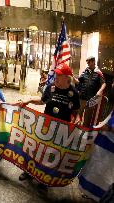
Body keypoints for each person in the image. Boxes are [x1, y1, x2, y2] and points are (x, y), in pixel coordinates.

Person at [17, 63, 80, 192]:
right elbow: (42, 101)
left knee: (51, 155)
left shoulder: (73, 93)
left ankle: (44, 180)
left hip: (61, 130)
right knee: (36, 149)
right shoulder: (50, 87)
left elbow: (76, 111)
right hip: (45, 126)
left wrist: (78, 118)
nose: (56, 77)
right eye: (56, 74)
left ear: (67, 78)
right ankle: (29, 172)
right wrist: (28, 101)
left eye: (59, 75)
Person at [73, 56, 106, 127]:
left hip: (91, 98)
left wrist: (100, 91)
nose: (87, 63)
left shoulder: (98, 73)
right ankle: (75, 131)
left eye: (89, 61)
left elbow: (104, 83)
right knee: (78, 114)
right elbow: (78, 82)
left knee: (87, 118)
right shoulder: (85, 71)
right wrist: (72, 77)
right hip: (82, 97)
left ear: (93, 62)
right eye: (87, 61)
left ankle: (84, 133)